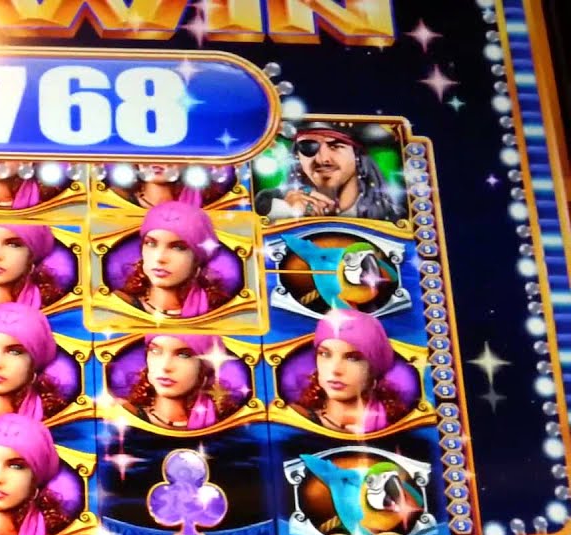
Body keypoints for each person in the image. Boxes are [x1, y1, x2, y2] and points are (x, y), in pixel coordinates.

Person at [114, 188, 231, 318]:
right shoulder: (118, 305)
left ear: (198, 258)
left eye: (178, 248)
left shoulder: (221, 313)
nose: (160, 258)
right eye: (151, 244)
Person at [290, 309, 409, 434]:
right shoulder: (296, 421)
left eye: (353, 358)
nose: (335, 370)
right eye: (325, 354)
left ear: (374, 369)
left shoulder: (401, 427)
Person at [254, 121, 402, 222]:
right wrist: (285, 211)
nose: (322, 159)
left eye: (335, 146)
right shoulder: (268, 204)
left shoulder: (392, 216)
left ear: (358, 156)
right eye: (308, 147)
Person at [120, 334, 242, 430]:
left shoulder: (230, 424)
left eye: (184, 355)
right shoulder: (124, 416)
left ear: (205, 367)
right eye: (155, 351)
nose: (165, 366)